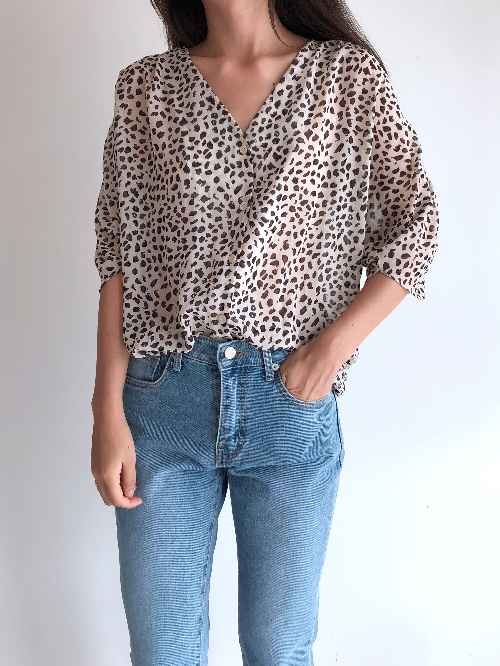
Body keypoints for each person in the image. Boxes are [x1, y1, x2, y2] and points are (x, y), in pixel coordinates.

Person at [90, 1, 440, 664]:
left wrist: (334, 347)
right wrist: (106, 410)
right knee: (163, 653)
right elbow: (118, 259)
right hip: (163, 402)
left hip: (289, 404)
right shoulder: (146, 89)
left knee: (279, 649)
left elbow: (415, 223)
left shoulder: (346, 78)